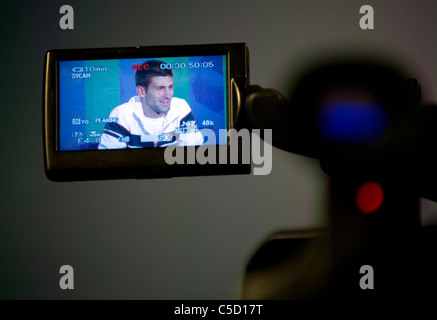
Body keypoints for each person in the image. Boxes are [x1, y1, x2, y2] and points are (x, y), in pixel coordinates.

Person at [98, 60, 203, 149]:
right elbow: (108, 161)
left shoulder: (181, 107)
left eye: (170, 87)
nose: (168, 95)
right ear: (141, 92)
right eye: (160, 88)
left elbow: (193, 153)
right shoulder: (121, 115)